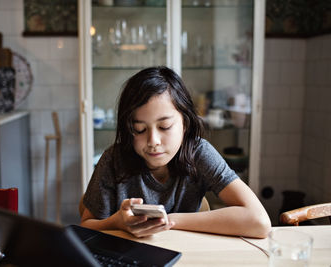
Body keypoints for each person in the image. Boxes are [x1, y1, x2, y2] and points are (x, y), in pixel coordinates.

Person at [80, 66, 271, 238]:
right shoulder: (114, 159)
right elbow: (86, 227)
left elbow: (259, 221)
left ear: (185, 124)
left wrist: (169, 221)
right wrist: (118, 223)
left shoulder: (198, 153)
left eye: (165, 126)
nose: (153, 141)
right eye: (139, 129)